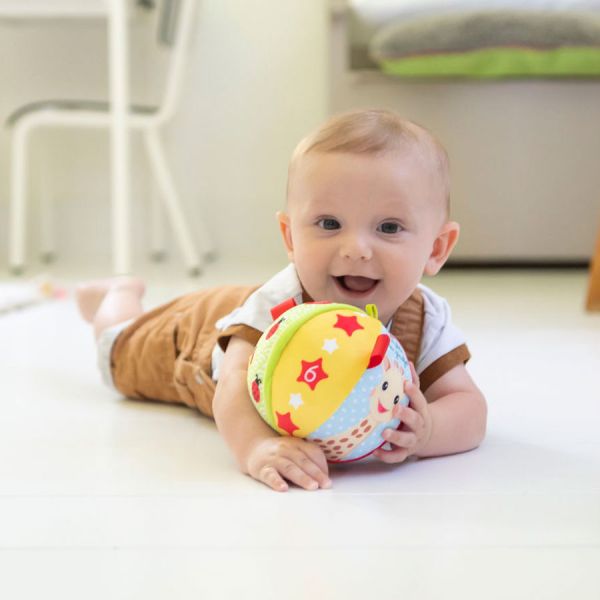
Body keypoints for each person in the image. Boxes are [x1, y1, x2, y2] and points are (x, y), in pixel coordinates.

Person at [77, 109, 487, 492]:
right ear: (290, 237)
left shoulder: (425, 319)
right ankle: (119, 294)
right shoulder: (277, 305)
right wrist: (255, 446)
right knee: (121, 350)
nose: (356, 249)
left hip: (238, 308)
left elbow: (469, 406)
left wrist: (429, 430)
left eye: (389, 227)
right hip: (197, 335)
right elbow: (234, 384)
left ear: (437, 248)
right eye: (330, 223)